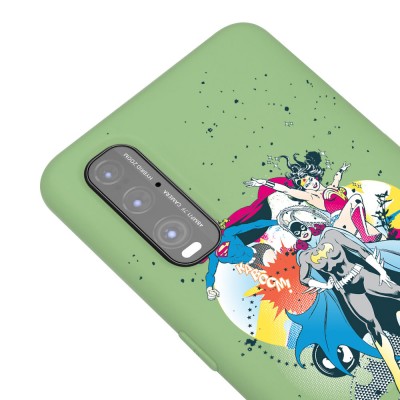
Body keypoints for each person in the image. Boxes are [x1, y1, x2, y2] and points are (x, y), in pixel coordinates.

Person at [294, 228, 400, 390]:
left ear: (307, 226)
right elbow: (304, 279)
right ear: (295, 236)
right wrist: (324, 285)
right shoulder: (305, 256)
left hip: (363, 275)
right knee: (372, 327)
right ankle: (397, 376)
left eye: (302, 228)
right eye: (297, 233)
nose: (302, 233)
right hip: (347, 289)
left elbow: (360, 250)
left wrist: (381, 271)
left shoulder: (330, 235)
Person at [245, 151, 383, 243]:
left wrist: (342, 169)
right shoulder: (311, 197)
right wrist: (265, 183)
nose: (312, 184)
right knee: (356, 198)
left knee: (381, 239)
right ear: (304, 189)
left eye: (310, 180)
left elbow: (336, 178)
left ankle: (365, 236)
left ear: (314, 176)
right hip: (340, 223)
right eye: (307, 185)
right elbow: (286, 190)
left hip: (355, 219)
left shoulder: (331, 188)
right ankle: (364, 235)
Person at [205, 219, 277, 300]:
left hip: (259, 251)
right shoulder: (213, 255)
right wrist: (209, 289)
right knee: (276, 276)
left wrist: (276, 222)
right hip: (253, 264)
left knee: (274, 264)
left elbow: (253, 225)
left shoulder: (228, 233)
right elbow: (210, 273)